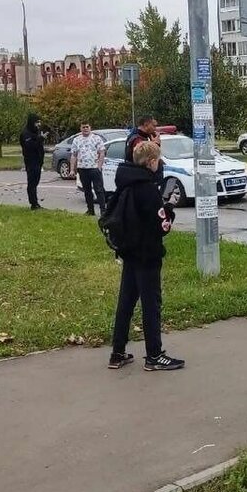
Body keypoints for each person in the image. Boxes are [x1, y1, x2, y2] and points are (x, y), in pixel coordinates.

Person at [107, 140, 184, 371]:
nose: (159, 164)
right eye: (158, 160)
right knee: (151, 304)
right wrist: (169, 207)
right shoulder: (148, 189)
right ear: (151, 162)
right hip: (147, 253)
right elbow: (162, 226)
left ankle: (117, 352)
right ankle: (154, 355)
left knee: (126, 302)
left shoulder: (125, 182)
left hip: (129, 250)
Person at [70, 122, 107, 216]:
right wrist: (72, 169)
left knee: (99, 190)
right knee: (87, 190)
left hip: (94, 168)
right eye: (83, 127)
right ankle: (90, 210)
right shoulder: (77, 140)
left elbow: (102, 152)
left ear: (90, 128)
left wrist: (99, 166)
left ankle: (103, 210)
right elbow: (74, 155)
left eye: (87, 127)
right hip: (82, 168)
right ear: (80, 128)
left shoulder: (96, 138)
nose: (85, 129)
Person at [19, 112, 45, 210]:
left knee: (36, 182)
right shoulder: (26, 133)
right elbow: (29, 147)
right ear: (32, 122)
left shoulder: (36, 132)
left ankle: (36, 202)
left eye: (39, 122)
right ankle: (33, 204)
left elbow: (38, 146)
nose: (39, 124)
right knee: (32, 183)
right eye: (37, 122)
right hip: (31, 162)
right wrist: (40, 139)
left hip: (38, 161)